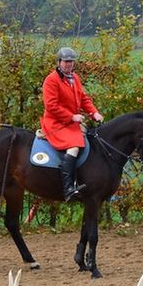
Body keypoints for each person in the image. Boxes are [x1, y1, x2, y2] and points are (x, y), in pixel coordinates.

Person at [41, 47, 104, 202]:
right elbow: (51, 106)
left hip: (71, 123)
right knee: (74, 146)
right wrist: (72, 117)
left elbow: (83, 99)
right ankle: (68, 187)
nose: (69, 64)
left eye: (71, 61)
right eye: (66, 61)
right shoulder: (51, 80)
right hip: (56, 123)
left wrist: (94, 112)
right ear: (59, 62)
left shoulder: (74, 77)